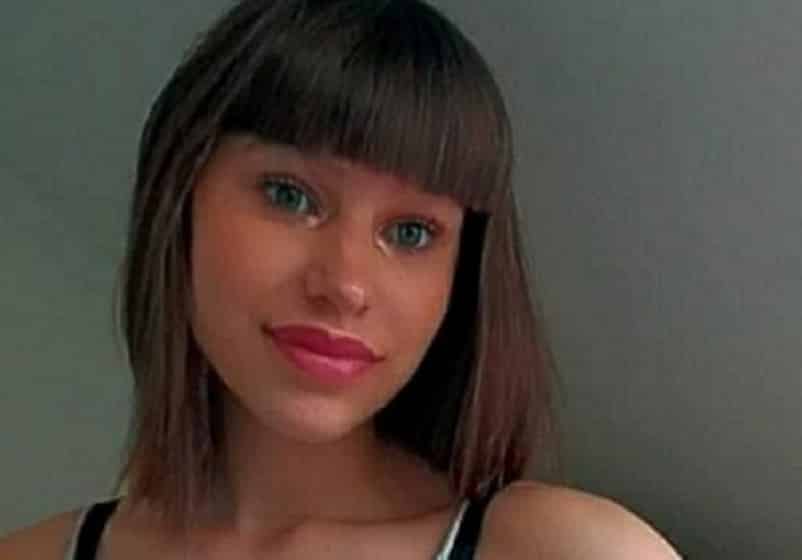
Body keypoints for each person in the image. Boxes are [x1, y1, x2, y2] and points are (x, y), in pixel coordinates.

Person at [1, 0, 681, 558]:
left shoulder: (566, 551)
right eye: (290, 196)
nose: (346, 284)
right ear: (180, 199)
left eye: (410, 233)